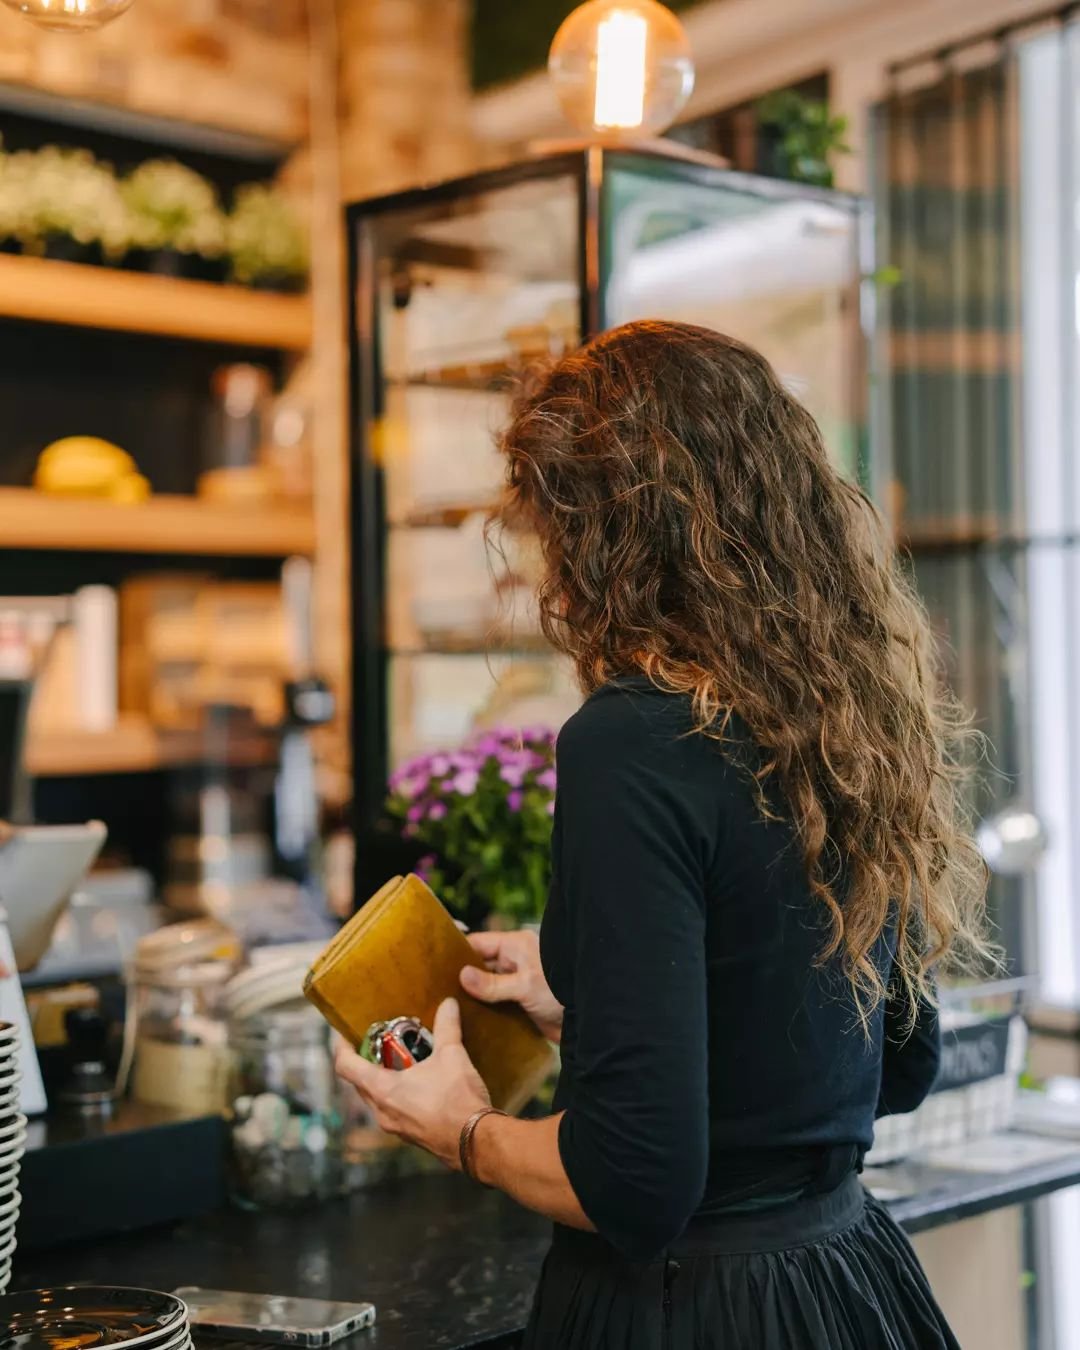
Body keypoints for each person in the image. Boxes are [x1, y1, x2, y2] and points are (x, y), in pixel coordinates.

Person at [335, 320, 992, 1348]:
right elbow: (893, 1067)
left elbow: (635, 1183)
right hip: (848, 1283)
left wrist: (460, 1123)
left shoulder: (630, 740)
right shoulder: (846, 717)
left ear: (598, 537)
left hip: (693, 1312)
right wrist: (595, 995)